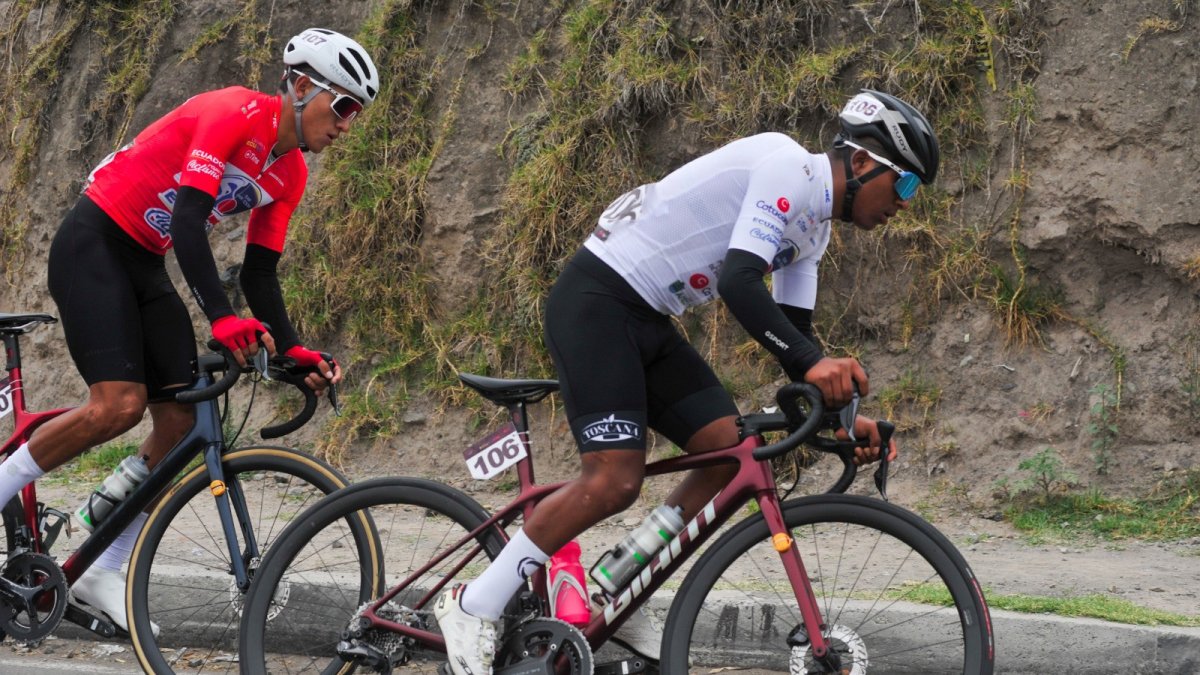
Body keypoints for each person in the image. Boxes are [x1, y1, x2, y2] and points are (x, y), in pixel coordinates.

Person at [435, 89, 938, 672]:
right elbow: (742, 285)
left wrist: (840, 416)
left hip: (646, 317)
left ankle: (616, 588)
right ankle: (474, 604)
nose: (905, 204)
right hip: (598, 299)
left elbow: (793, 343)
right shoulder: (786, 168)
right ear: (863, 162)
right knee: (614, 480)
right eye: (904, 185)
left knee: (726, 454)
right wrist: (811, 367)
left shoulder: (813, 233)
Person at [0, 28, 378, 632]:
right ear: (303, 85)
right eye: (344, 107)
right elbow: (188, 220)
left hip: (144, 260)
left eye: (357, 113)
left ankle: (103, 565)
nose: (347, 124)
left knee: (178, 424)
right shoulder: (232, 113)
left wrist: (292, 346)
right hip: (93, 241)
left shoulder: (290, 176)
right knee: (116, 406)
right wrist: (221, 318)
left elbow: (260, 271)